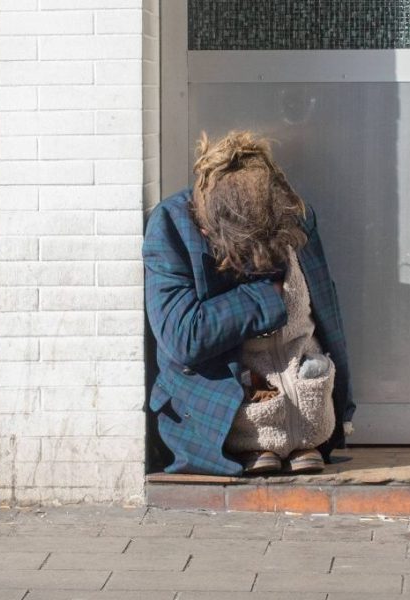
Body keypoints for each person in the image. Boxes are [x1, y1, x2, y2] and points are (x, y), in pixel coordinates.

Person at [143, 130, 355, 476]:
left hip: (299, 385)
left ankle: (300, 433)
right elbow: (182, 337)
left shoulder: (293, 215)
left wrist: (342, 403)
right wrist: (268, 296)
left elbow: (326, 314)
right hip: (222, 397)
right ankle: (260, 440)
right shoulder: (171, 224)